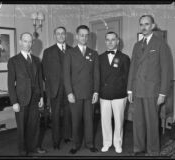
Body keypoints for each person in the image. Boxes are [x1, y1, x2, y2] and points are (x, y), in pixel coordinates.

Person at [127, 15, 171, 156]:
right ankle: (138, 148)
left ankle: (153, 151)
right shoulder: (136, 45)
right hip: (137, 89)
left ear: (152, 25)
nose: (144, 27)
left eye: (147, 24)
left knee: (152, 123)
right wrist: (129, 89)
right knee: (138, 122)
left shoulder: (160, 44)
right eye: (141, 24)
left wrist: (163, 93)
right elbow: (132, 67)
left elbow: (166, 70)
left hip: (152, 91)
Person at [8, 32, 46, 156]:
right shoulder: (13, 61)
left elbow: (39, 79)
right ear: (20, 42)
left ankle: (34, 147)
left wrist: (41, 96)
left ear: (32, 43)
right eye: (25, 41)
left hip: (35, 98)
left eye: (30, 41)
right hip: (21, 99)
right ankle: (23, 150)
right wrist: (14, 102)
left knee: (35, 125)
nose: (28, 44)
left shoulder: (36, 59)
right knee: (22, 127)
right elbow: (10, 83)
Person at [64, 25, 99, 154]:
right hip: (75, 94)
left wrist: (96, 91)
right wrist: (69, 92)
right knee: (76, 121)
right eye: (81, 35)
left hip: (89, 93)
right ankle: (75, 145)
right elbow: (66, 75)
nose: (84, 38)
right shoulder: (70, 53)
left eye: (86, 35)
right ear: (77, 36)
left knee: (89, 120)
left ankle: (90, 144)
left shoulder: (93, 53)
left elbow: (96, 74)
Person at [99, 31, 130, 153]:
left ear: (117, 41)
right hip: (104, 94)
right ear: (105, 41)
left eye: (113, 39)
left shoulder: (124, 58)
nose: (110, 42)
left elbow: (127, 77)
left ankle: (118, 143)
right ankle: (106, 142)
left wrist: (128, 93)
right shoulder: (99, 57)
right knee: (105, 120)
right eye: (108, 39)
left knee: (119, 120)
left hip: (119, 95)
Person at [42, 26, 72, 150]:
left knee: (68, 114)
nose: (61, 36)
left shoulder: (72, 50)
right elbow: (44, 71)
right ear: (55, 35)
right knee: (55, 116)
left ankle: (66, 136)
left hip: (69, 90)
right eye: (58, 34)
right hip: (55, 89)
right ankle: (55, 140)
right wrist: (50, 88)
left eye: (63, 33)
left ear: (66, 35)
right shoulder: (48, 51)